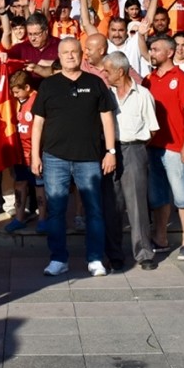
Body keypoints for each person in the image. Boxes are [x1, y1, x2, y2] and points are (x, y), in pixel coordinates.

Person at [30, 38, 118, 277]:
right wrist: (34, 155)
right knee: (56, 210)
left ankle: (95, 259)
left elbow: (107, 119)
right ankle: (59, 259)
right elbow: (38, 123)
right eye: (65, 52)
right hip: (54, 158)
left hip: (88, 158)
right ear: (58, 55)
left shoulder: (95, 83)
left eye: (74, 52)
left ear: (82, 55)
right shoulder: (48, 85)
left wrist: (110, 151)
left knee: (94, 210)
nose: (70, 56)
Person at [101, 51, 159, 271]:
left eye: (107, 70)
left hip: (135, 148)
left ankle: (144, 253)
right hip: (109, 149)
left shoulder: (143, 94)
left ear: (120, 71)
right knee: (112, 205)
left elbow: (152, 129)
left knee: (137, 204)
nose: (104, 74)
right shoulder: (105, 94)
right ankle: (115, 255)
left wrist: (137, 149)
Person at [144, 35, 184, 261]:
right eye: (151, 49)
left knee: (183, 196)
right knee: (158, 197)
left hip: (176, 147)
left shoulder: (182, 79)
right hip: (153, 147)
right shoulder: (148, 80)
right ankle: (161, 238)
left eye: (156, 49)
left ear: (169, 52)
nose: (152, 52)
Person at [4, 70, 45, 233]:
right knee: (20, 183)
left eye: (17, 91)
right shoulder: (14, 102)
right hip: (19, 153)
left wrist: (37, 154)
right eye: (12, 92)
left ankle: (43, 219)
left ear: (27, 87)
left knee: (39, 185)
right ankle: (19, 217)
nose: (14, 95)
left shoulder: (38, 101)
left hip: (36, 153)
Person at [8, 12, 59, 80]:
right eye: (30, 34)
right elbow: (7, 58)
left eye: (36, 34)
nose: (33, 38)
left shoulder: (60, 45)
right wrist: (3, 55)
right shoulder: (21, 48)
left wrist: (52, 63)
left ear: (46, 31)